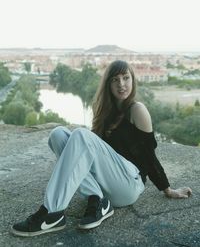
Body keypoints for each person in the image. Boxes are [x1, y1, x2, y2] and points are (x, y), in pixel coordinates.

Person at [11, 60, 192, 237]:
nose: (121, 84)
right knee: (58, 134)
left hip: (129, 184)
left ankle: (52, 213)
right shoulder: (104, 111)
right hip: (105, 184)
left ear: (132, 80)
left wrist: (167, 189)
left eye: (125, 78)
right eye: (115, 80)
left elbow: (149, 155)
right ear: (108, 85)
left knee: (81, 135)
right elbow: (89, 155)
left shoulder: (137, 110)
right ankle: (99, 201)